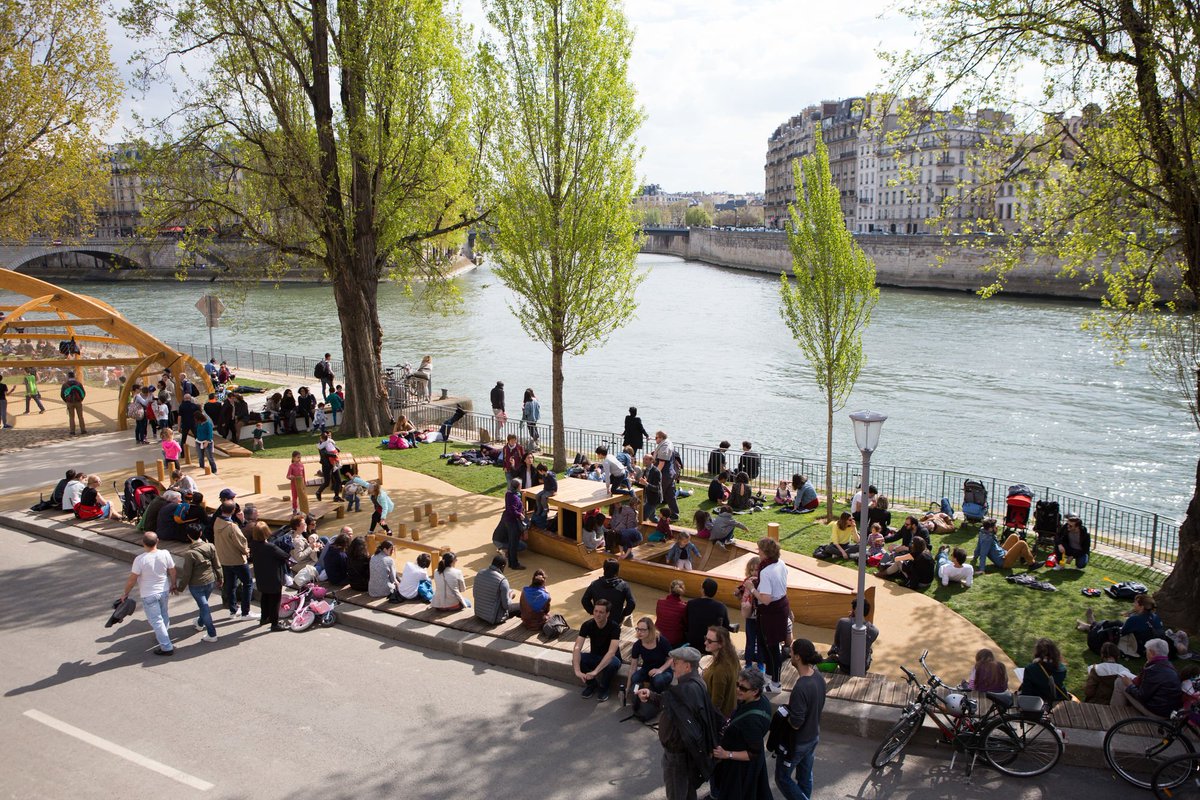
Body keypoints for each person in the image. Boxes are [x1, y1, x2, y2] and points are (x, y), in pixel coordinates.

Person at [637, 645, 719, 800]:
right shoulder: (697, 683)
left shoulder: (684, 690)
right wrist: (651, 696)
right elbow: (671, 703)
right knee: (687, 792)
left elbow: (673, 702)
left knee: (676, 794)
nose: (672, 666)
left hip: (677, 756)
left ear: (687, 666)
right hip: (686, 753)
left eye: (676, 662)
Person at [710, 667, 774, 800]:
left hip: (740, 771)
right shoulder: (761, 701)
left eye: (743, 688)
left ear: (755, 691)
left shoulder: (752, 722)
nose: (738, 690)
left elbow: (753, 754)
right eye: (737, 685)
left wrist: (727, 754)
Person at [776, 638, 827, 800]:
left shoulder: (801, 686)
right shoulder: (818, 677)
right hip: (813, 737)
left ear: (797, 657)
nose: (789, 654)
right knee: (805, 777)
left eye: (791, 651)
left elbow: (796, 723)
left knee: (782, 778)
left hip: (798, 742)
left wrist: (785, 719)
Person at [118, 533, 178, 656]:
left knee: (156, 620)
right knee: (163, 614)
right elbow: (172, 570)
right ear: (158, 541)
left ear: (143, 543)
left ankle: (166, 646)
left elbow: (132, 579)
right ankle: (162, 635)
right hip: (164, 590)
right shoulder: (165, 553)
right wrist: (173, 584)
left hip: (149, 594)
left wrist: (125, 593)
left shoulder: (140, 559)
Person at [744, 536, 790, 693]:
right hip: (781, 607)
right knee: (767, 645)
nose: (758, 552)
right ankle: (770, 677)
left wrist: (751, 587)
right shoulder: (780, 563)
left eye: (759, 550)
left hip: (771, 613)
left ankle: (776, 684)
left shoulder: (766, 571)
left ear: (765, 553)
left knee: (772, 648)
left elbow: (766, 599)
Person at [176, 523, 223, 642]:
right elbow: (217, 564)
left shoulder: (190, 554)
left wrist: (180, 588)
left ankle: (212, 634)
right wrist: (220, 578)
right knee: (204, 605)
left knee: (204, 607)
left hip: (196, 585)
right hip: (210, 581)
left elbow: (187, 574)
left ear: (188, 536)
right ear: (201, 533)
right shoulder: (210, 546)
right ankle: (199, 623)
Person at [1113, 638, 1183, 717]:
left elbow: (1141, 697)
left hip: (1156, 713)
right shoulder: (1168, 666)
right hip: (1167, 711)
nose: (1145, 653)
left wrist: (1129, 685)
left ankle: (1115, 714)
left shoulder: (1154, 670)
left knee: (1119, 682)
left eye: (1146, 650)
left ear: (1152, 653)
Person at [573, 598, 622, 701]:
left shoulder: (614, 627)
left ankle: (604, 688)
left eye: (601, 612)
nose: (597, 614)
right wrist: (577, 670)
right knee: (578, 657)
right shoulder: (587, 625)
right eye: (595, 611)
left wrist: (595, 671)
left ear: (607, 614)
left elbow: (612, 652)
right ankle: (591, 684)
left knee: (612, 663)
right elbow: (577, 647)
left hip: (612, 659)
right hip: (595, 656)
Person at [248, 521, 290, 630]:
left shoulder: (253, 544)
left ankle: (264, 618)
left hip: (261, 577)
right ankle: (275, 624)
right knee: (275, 600)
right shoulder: (271, 547)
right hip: (273, 577)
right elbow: (285, 555)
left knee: (265, 597)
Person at [827, 599, 879, 674]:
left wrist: (850, 619)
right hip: (863, 667)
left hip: (844, 664)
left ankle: (831, 653)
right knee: (869, 648)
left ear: (854, 609)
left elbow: (837, 642)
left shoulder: (842, 622)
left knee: (837, 642)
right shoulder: (874, 631)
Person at [972, 518, 1038, 572]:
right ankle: (1032, 564)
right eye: (995, 526)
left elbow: (978, 546)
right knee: (1022, 543)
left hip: (1002, 553)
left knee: (1014, 536)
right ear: (990, 529)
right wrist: (981, 570)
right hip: (1003, 562)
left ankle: (1023, 557)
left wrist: (975, 557)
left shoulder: (983, 532)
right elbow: (983, 553)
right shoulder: (987, 539)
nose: (996, 527)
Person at [1018, 638, 1070, 707]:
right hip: (1057, 699)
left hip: (1037, 701)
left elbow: (1026, 692)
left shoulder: (1031, 668)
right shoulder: (1062, 669)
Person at [582, 558, 636, 623]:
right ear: (617, 570)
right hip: (616, 619)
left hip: (600, 619)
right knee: (629, 616)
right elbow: (632, 603)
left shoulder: (594, 584)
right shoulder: (623, 585)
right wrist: (623, 614)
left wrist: (594, 612)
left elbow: (584, 600)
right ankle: (631, 631)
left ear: (604, 569)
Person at [704, 625, 741, 718]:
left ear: (721, 644)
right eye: (705, 638)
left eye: (710, 641)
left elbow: (716, 702)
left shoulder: (720, 670)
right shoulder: (732, 657)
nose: (705, 643)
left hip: (718, 717)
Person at [631, 616, 675, 693]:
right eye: (638, 629)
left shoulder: (661, 641)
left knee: (658, 680)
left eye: (643, 630)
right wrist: (628, 687)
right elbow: (633, 666)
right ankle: (638, 694)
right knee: (635, 678)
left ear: (650, 630)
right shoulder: (637, 645)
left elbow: (671, 658)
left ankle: (657, 697)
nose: (639, 632)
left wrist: (660, 670)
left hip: (664, 670)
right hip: (647, 670)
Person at [474, 554, 521, 624]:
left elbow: (475, 594)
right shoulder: (502, 580)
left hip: (479, 614)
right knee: (521, 606)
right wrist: (510, 595)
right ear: (503, 566)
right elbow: (507, 606)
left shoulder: (480, 573)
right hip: (494, 618)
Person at [685, 577, 731, 650]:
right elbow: (726, 627)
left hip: (693, 643)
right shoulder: (721, 606)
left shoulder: (691, 603)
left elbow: (686, 623)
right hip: (711, 644)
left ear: (703, 590)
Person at [500, 477, 528, 570]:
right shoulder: (514, 497)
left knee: (512, 543)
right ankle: (514, 564)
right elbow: (512, 510)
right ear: (517, 486)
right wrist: (520, 514)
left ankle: (512, 563)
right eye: (520, 485)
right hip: (513, 522)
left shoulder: (509, 493)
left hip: (509, 521)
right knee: (514, 544)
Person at [654, 430, 680, 520]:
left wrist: (655, 474)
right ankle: (675, 514)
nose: (655, 439)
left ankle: (651, 515)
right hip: (670, 473)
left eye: (656, 438)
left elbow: (661, 463)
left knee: (656, 494)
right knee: (670, 495)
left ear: (661, 438)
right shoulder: (669, 443)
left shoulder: (664, 447)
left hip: (664, 475)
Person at [656, 579, 688, 647]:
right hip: (674, 640)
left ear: (670, 589)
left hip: (658, 636)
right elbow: (686, 624)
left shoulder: (660, 602)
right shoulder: (684, 607)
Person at [315, 431, 343, 502]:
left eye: (330, 436)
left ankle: (336, 496)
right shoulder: (320, 445)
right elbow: (325, 453)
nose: (329, 437)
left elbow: (338, 449)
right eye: (328, 436)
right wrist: (334, 455)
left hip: (334, 464)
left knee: (338, 480)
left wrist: (336, 451)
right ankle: (318, 492)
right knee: (327, 482)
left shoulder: (329, 442)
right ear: (321, 438)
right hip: (326, 465)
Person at [638, 453, 664, 521]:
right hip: (648, 498)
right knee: (652, 517)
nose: (644, 461)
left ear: (651, 461)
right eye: (643, 459)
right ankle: (662, 526)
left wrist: (646, 483)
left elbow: (656, 488)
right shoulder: (645, 470)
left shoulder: (656, 472)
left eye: (646, 459)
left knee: (642, 516)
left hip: (654, 499)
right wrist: (633, 482)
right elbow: (643, 484)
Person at [60, 371, 86, 435]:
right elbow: (83, 393)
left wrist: (66, 401)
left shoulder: (65, 384)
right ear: (74, 376)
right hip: (78, 402)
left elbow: (62, 394)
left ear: (68, 376)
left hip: (69, 402)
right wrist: (80, 400)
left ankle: (72, 431)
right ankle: (83, 430)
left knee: (71, 417)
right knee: (80, 416)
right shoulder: (79, 384)